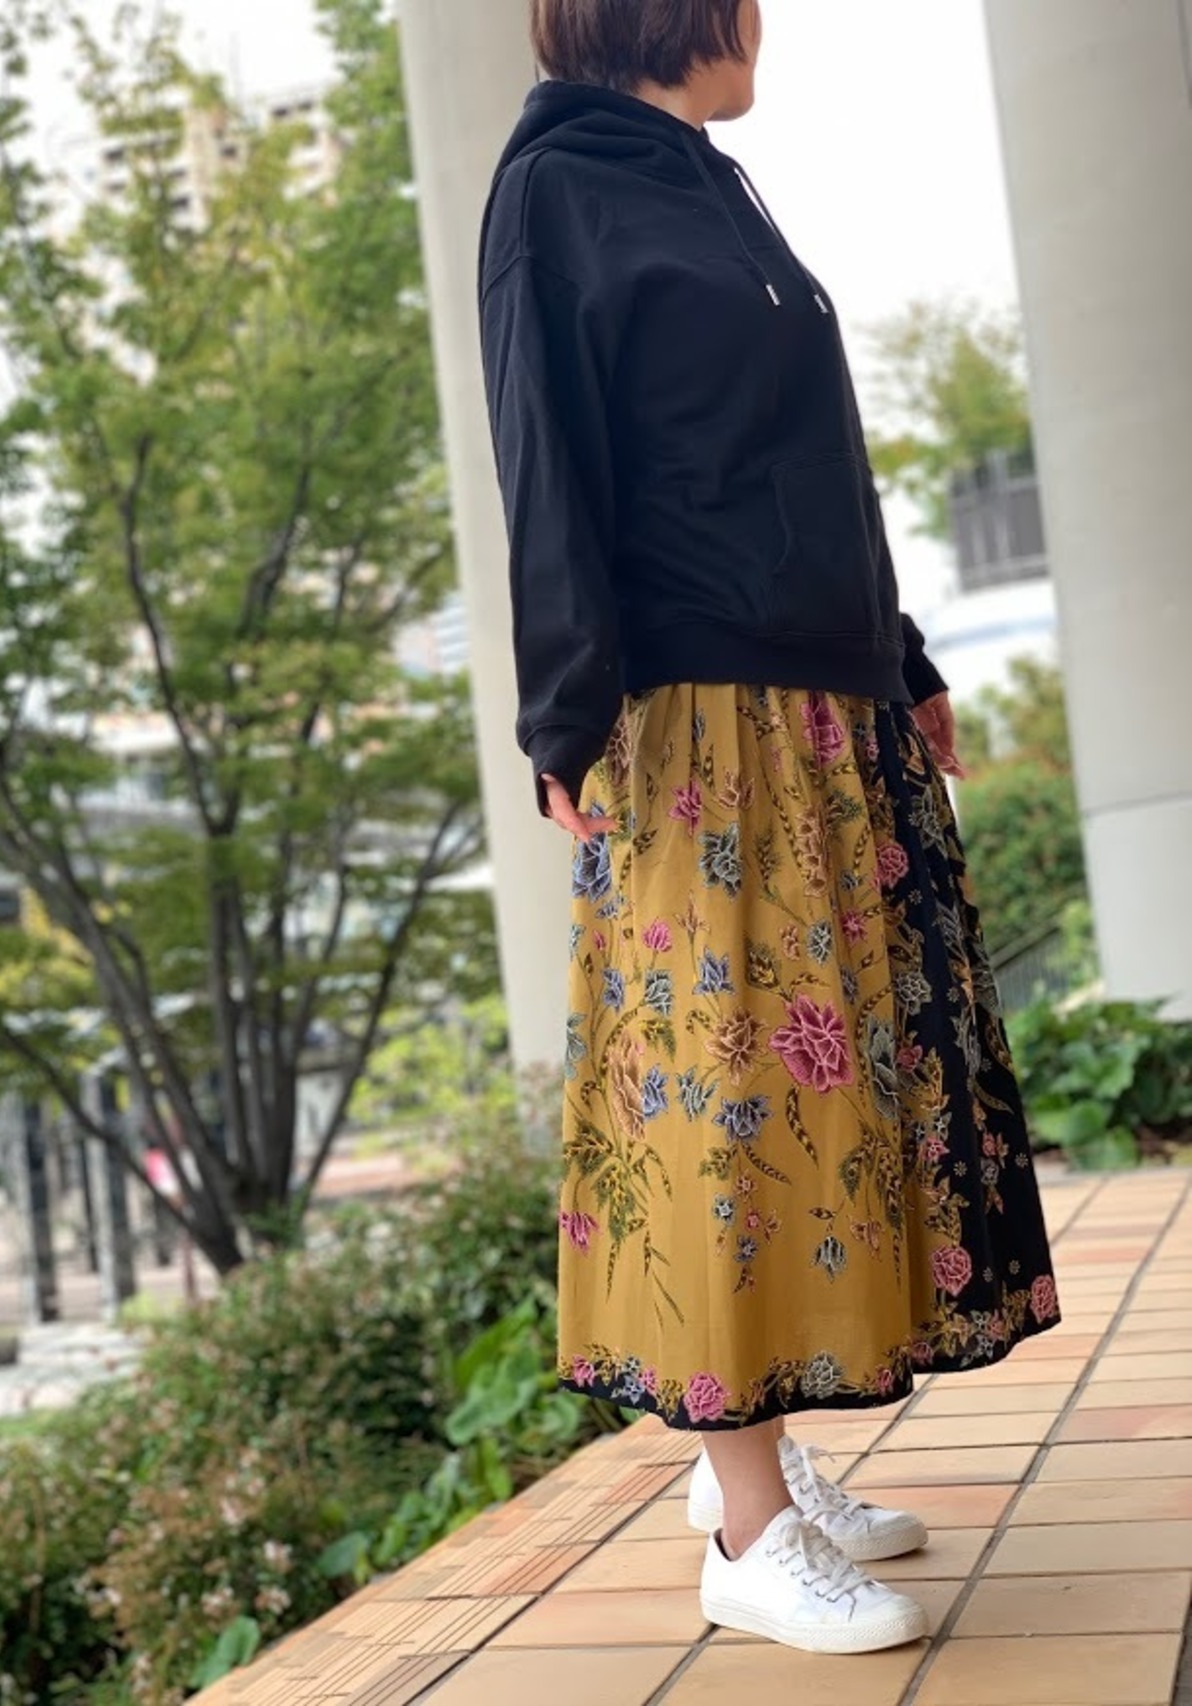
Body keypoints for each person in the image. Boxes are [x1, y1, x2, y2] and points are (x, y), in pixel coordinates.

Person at [478, 0, 1061, 1657]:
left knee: (822, 1102)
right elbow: (547, 456)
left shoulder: (705, 180)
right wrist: (567, 713)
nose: (764, 18)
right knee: (729, 1105)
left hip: (819, 706)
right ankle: (745, 1534)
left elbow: (813, 468)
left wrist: (906, 660)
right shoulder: (558, 187)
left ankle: (758, 1462)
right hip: (697, 720)